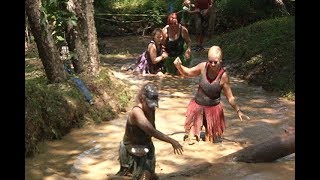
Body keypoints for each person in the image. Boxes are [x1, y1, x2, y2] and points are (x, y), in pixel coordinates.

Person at [173, 46, 250, 145]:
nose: (212, 64)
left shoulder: (224, 77)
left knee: (210, 144)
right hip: (197, 108)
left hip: (213, 111)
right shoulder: (202, 67)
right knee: (191, 141)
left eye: (215, 62)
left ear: (221, 61)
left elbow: (230, 97)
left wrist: (238, 111)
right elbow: (188, 73)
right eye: (210, 61)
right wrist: (179, 66)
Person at [115, 82, 184, 180]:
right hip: (131, 148)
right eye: (149, 104)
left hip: (146, 146)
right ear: (142, 99)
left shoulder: (151, 108)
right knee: (129, 176)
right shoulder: (136, 112)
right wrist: (172, 141)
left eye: (154, 105)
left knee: (148, 176)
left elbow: (152, 129)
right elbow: (152, 131)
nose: (152, 107)